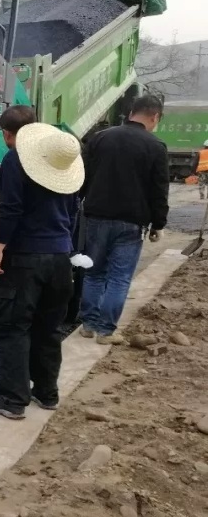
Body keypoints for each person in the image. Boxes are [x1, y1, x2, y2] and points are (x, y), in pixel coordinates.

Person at [0, 106, 83, 420]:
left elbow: (11, 208)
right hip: (60, 258)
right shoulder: (60, 162)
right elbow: (72, 212)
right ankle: (47, 392)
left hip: (25, 258)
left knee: (14, 328)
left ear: (6, 134)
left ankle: (13, 401)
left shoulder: (15, 160)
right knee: (49, 328)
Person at [78, 95, 169, 344]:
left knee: (94, 273)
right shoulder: (156, 146)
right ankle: (106, 331)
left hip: (96, 216)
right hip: (131, 222)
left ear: (131, 113)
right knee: (119, 277)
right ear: (155, 117)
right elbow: (159, 190)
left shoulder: (100, 138)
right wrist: (158, 223)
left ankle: (88, 325)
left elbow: (83, 176)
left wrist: (80, 202)